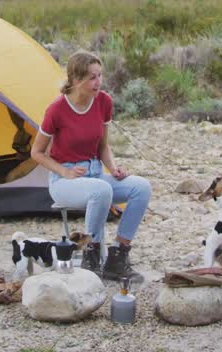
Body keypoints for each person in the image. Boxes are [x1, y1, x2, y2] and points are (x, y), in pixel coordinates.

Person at [30, 50, 151, 280]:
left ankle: (118, 256)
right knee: (101, 190)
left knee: (141, 187)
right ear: (76, 80)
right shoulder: (57, 110)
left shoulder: (104, 102)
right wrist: (64, 171)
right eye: (92, 77)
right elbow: (36, 153)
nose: (98, 82)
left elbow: (103, 146)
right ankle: (91, 255)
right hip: (64, 182)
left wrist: (113, 168)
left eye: (100, 75)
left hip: (96, 174)